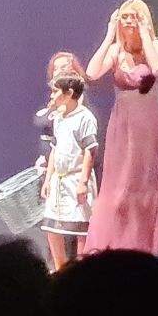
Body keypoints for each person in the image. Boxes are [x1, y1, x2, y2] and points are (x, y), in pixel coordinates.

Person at [84, 0, 158, 256]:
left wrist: (144, 34)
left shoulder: (156, 45)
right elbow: (92, 72)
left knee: (146, 188)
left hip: (149, 126)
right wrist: (110, 35)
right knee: (119, 190)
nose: (129, 21)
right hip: (123, 127)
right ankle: (111, 249)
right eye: (125, 17)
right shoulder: (116, 52)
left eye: (135, 16)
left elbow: (157, 67)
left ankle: (142, 251)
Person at [39, 74, 99, 271]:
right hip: (59, 179)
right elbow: (54, 150)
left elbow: (90, 150)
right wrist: (48, 179)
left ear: (69, 93)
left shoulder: (85, 118)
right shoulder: (59, 118)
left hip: (76, 177)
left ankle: (81, 270)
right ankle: (61, 269)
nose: (52, 95)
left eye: (55, 91)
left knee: (81, 227)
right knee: (52, 226)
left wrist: (83, 182)